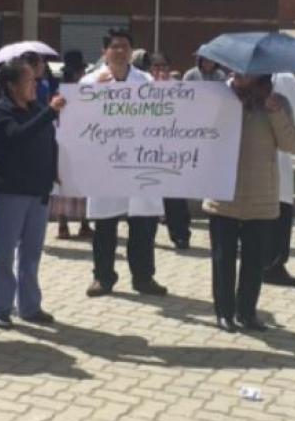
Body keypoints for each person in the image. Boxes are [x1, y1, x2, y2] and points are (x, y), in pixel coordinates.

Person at [203, 73, 295, 332]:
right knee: (223, 258)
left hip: (262, 193)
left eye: (246, 71)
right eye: (235, 70)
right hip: (224, 192)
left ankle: (247, 313)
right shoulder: (218, 97)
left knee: (254, 260)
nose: (239, 75)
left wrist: (275, 111)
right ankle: (224, 312)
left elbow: (290, 144)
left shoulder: (277, 100)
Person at [82, 30, 168, 297]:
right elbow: (81, 122)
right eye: (115, 47)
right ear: (105, 52)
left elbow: (161, 120)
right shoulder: (91, 82)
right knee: (105, 225)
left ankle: (143, 277)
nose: (120, 51)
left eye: (125, 47)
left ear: (132, 51)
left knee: (143, 224)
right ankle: (103, 278)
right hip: (106, 166)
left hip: (139, 162)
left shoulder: (146, 81)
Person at [0, 59, 64, 328]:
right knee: (3, 254)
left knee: (31, 254)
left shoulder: (35, 108)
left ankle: (30, 307)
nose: (36, 84)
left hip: (38, 192)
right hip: (10, 193)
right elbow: (17, 137)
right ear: (12, 85)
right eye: (30, 80)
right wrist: (49, 114)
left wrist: (54, 170)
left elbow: (48, 141)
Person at [265, 72, 295, 287]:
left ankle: (258, 264)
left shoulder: (236, 80)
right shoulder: (286, 79)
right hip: (279, 158)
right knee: (280, 216)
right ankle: (274, 266)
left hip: (248, 161)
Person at [150, 52, 192, 249]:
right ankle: (148, 237)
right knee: (149, 197)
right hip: (148, 150)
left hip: (173, 151)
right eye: (156, 68)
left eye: (164, 67)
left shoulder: (180, 89)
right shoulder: (142, 89)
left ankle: (181, 235)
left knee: (175, 196)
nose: (160, 71)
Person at [51, 50, 92, 240]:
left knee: (72, 182)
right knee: (67, 182)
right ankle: (69, 224)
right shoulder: (65, 92)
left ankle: (69, 225)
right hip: (67, 141)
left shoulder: (60, 90)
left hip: (73, 141)